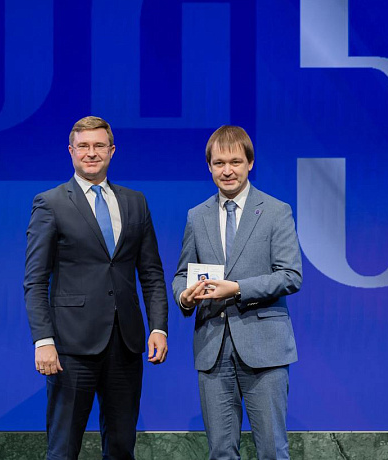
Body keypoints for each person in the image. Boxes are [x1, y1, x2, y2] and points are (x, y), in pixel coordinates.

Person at [24, 116, 169, 460]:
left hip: (126, 344)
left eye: (99, 145)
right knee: (63, 449)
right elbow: (35, 280)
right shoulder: (50, 203)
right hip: (71, 346)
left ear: (112, 150)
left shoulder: (136, 202)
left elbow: (151, 273)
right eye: (84, 146)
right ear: (71, 151)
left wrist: (159, 327)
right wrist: (43, 340)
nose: (91, 153)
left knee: (121, 448)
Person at [172, 125, 302, 460]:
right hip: (212, 347)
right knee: (220, 452)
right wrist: (184, 296)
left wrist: (239, 289)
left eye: (235, 162)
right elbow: (182, 273)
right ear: (209, 166)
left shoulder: (276, 211)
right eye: (219, 163)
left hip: (265, 348)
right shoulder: (197, 216)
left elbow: (290, 275)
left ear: (250, 163)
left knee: (272, 450)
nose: (227, 170)